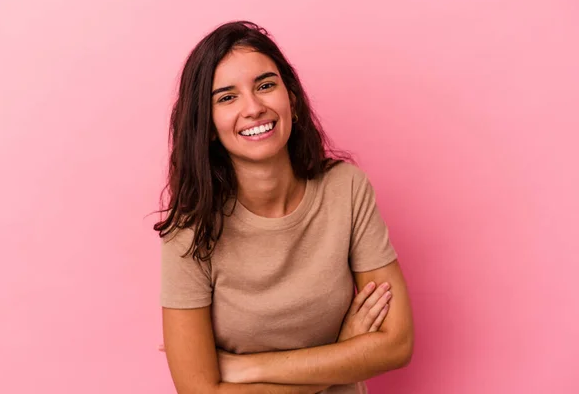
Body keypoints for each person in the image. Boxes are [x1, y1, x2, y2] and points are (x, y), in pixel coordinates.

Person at [155, 20, 414, 394]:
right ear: (208, 125)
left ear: (290, 96)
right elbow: (199, 391)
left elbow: (396, 344)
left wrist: (242, 369)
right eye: (227, 97)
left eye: (265, 85)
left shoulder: (346, 189)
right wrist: (343, 355)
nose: (254, 107)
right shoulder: (189, 231)